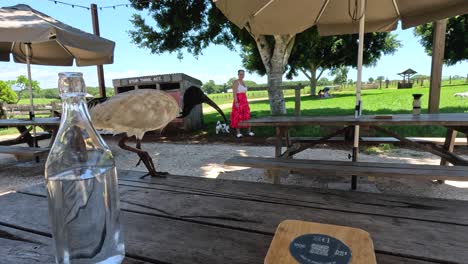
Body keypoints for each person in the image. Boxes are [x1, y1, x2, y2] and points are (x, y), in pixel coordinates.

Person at [230, 69, 254, 138]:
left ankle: (249, 131)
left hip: (244, 100)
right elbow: (234, 93)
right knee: (238, 115)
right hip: (238, 100)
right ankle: (238, 133)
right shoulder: (236, 82)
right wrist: (236, 102)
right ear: (238, 74)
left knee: (247, 115)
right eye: (240, 74)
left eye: (243, 74)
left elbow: (244, 92)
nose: (242, 75)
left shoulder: (243, 82)